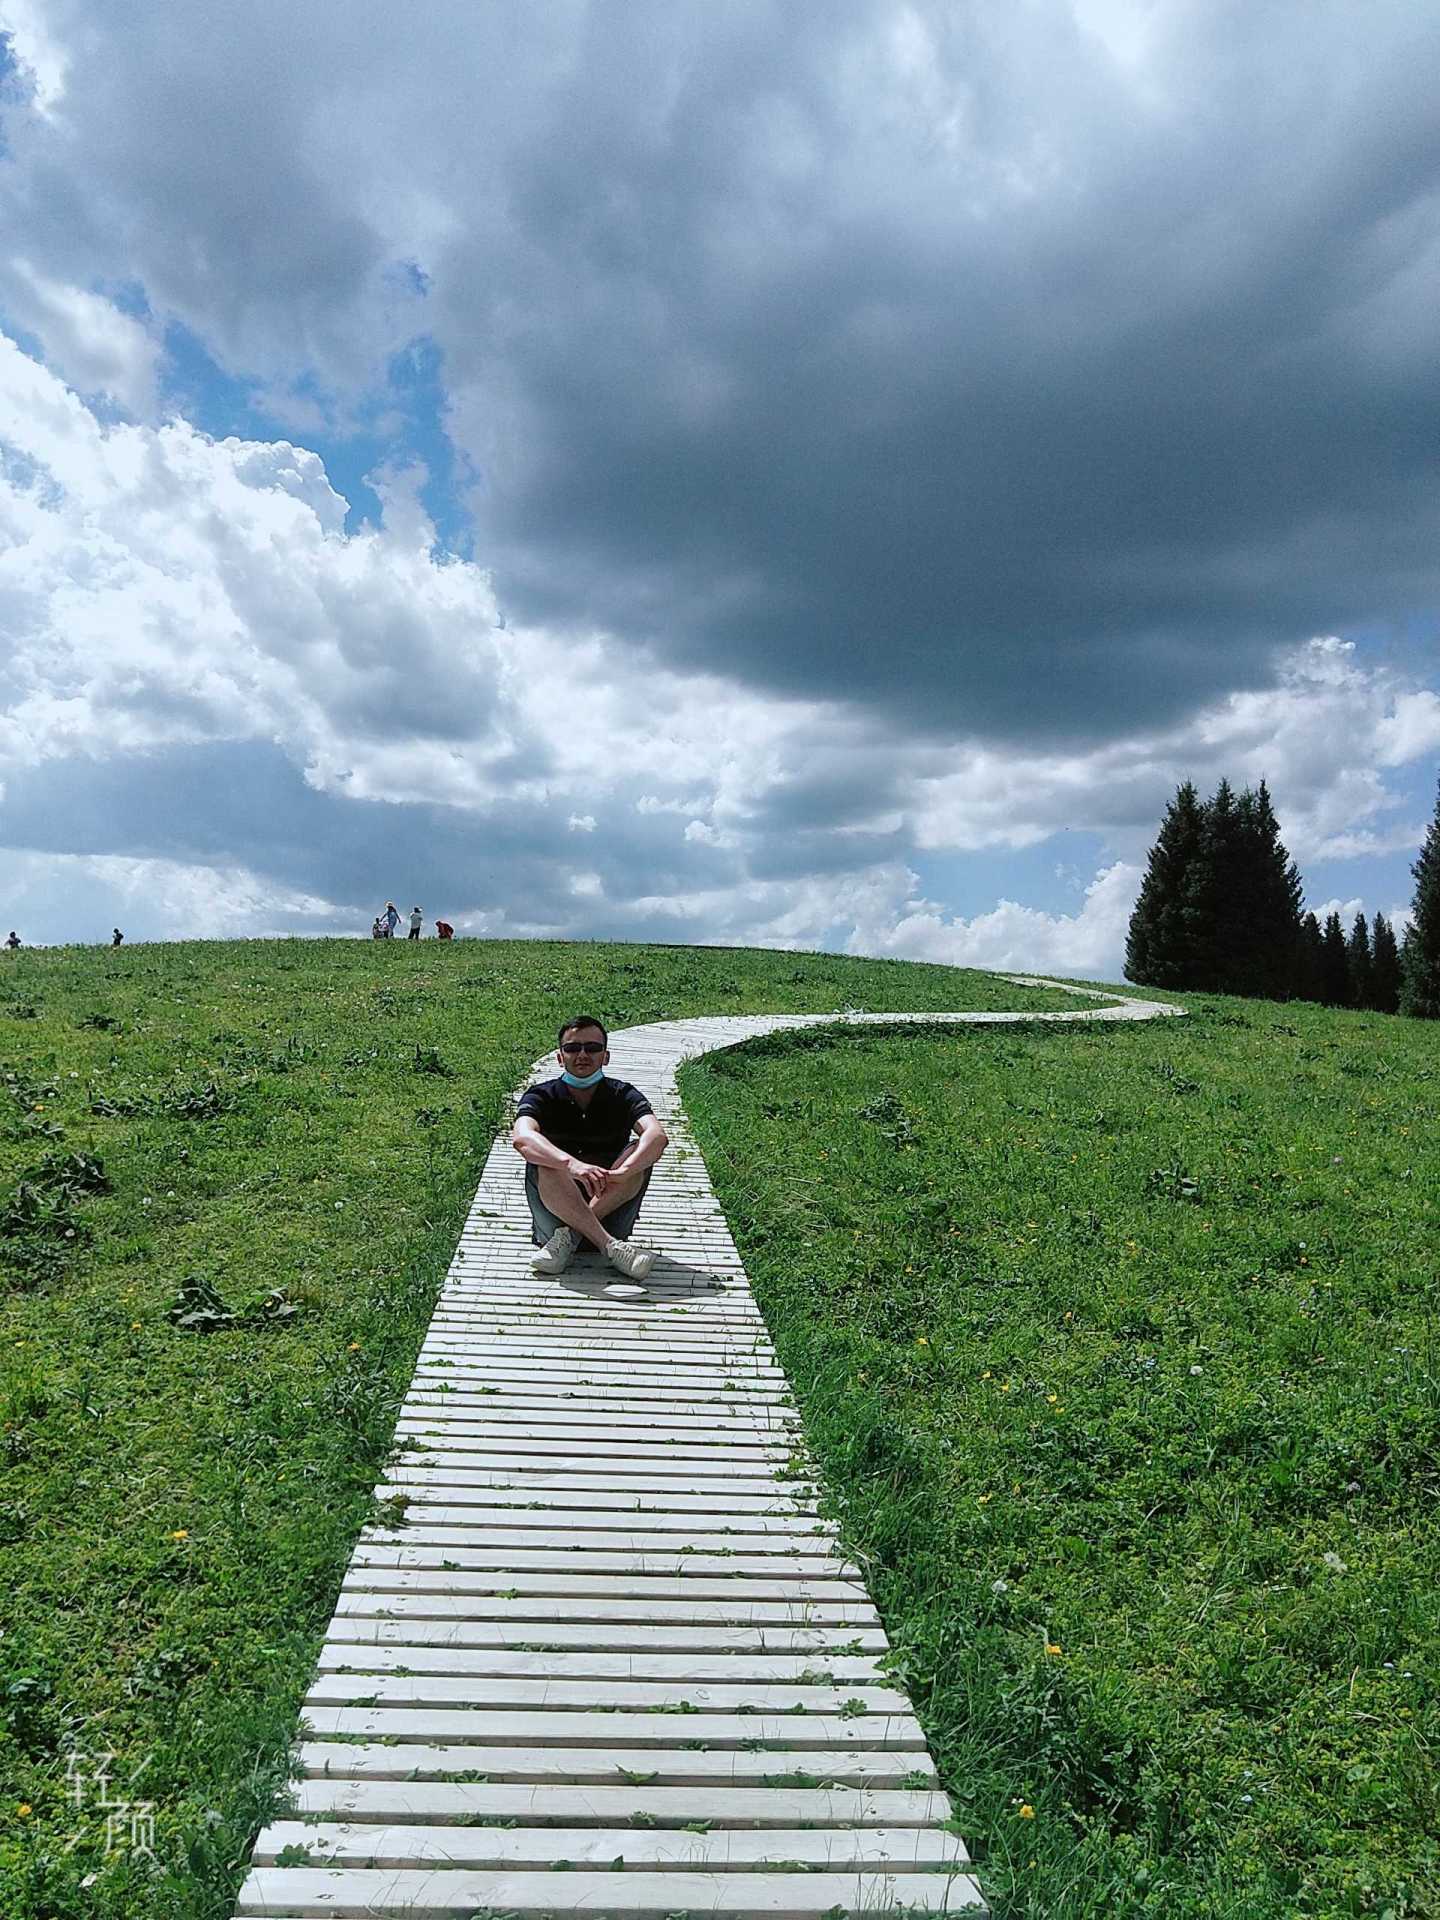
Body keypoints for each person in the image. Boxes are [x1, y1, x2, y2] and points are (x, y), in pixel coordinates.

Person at [512, 1016, 667, 1282]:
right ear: (560, 1057)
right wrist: (572, 1165)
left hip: (609, 1208)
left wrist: (622, 1173)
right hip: (554, 1213)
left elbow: (657, 1136)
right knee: (547, 1158)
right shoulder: (541, 1095)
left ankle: (569, 1238)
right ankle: (611, 1246)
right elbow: (522, 1137)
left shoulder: (623, 1094)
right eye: (573, 1048)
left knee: (638, 1154)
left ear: (605, 1057)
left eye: (592, 1048)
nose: (582, 1055)